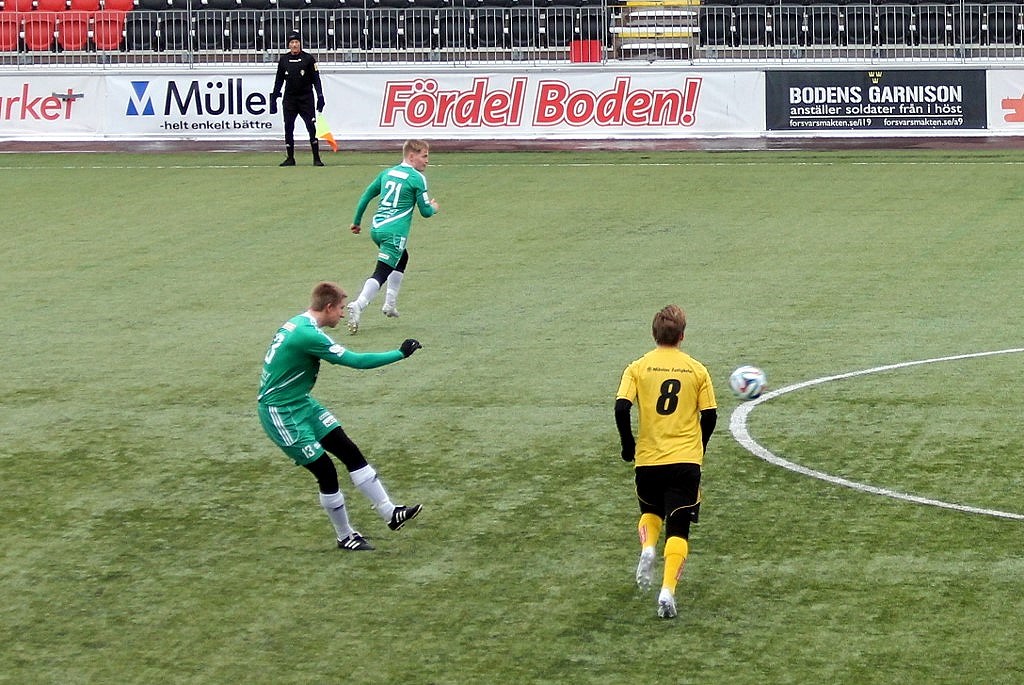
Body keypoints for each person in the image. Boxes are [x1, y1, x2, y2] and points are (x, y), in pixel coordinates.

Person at [257, 281, 424, 551]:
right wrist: (400, 353)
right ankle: (345, 536)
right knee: (325, 471)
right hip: (281, 413)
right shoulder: (309, 335)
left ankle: (390, 512)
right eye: (341, 308)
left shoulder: (299, 323)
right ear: (329, 307)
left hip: (301, 403)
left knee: (348, 449)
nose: (343, 314)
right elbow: (356, 361)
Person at [614, 305, 718, 618]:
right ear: (682, 336)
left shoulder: (637, 367)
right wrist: (700, 447)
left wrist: (628, 445)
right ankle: (667, 592)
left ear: (653, 334)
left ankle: (648, 548)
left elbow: (621, 408)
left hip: (648, 461)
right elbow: (710, 415)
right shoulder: (696, 370)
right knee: (678, 528)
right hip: (685, 461)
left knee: (651, 512)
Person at [345, 139, 440, 335]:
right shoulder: (417, 178)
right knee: (381, 272)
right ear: (411, 156)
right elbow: (425, 212)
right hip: (394, 232)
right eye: (424, 156)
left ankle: (390, 304)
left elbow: (366, 195)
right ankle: (359, 304)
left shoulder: (387, 173)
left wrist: (356, 221)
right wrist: (434, 208)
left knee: (402, 258)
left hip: (377, 229)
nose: (427, 160)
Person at [269, 30, 326, 167]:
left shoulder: (308, 59)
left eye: (296, 42)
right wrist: (274, 98)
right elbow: (279, 81)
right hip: (290, 99)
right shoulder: (284, 60)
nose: (294, 45)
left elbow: (316, 79)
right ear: (289, 45)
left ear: (300, 44)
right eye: (292, 43)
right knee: (288, 127)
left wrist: (320, 96)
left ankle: (316, 158)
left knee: (311, 127)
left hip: (306, 98)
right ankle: (290, 158)